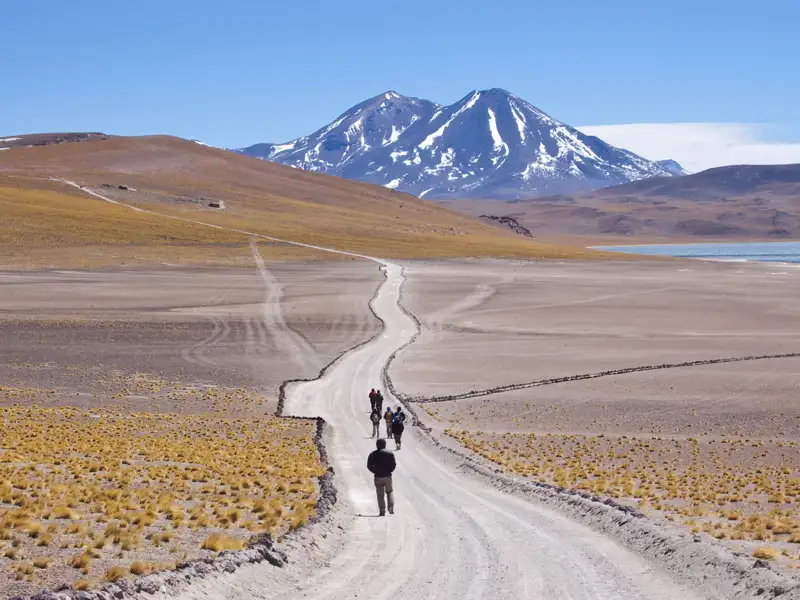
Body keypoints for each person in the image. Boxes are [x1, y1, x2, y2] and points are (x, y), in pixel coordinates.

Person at [367, 438, 396, 516]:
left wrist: (375, 471)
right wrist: (389, 471)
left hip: (378, 477)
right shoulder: (390, 454)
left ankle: (382, 511)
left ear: (377, 445)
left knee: (380, 494)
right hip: (387, 476)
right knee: (389, 492)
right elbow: (393, 465)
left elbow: (369, 466)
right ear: (385, 444)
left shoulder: (373, 454)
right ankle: (391, 507)